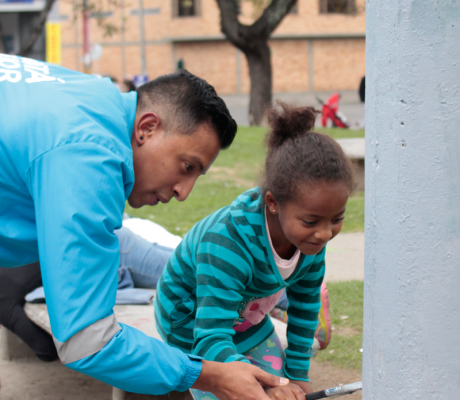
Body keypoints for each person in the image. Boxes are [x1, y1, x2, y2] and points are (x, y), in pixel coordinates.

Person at [0, 54, 288, 399]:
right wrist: (210, 375)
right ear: (147, 127)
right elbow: (87, 340)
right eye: (186, 166)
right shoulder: (90, 155)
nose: (184, 192)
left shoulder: (93, 98)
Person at [154, 103, 356, 400]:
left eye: (336, 218)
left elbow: (304, 305)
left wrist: (296, 376)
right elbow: (209, 338)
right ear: (273, 203)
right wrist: (258, 384)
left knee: (277, 384)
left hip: (245, 316)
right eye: (312, 221)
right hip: (190, 321)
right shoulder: (228, 243)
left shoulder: (311, 240)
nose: (325, 233)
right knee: (239, 391)